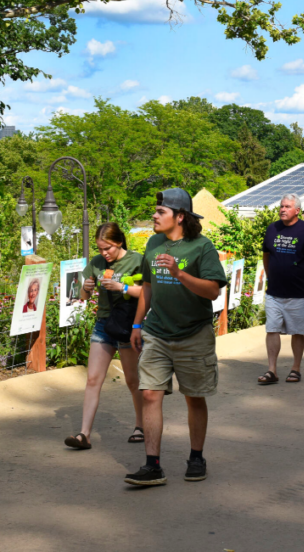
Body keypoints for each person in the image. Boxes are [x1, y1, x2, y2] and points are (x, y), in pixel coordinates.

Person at [126, 188, 227, 486]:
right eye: (155, 211)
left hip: (193, 334)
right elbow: (147, 285)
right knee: (149, 394)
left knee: (194, 398)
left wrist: (180, 273)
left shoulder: (201, 247)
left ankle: (196, 457)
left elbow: (213, 291)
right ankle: (152, 465)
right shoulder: (154, 243)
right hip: (157, 332)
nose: (154, 216)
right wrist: (136, 324)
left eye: (161, 212)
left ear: (180, 217)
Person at [64, 222, 145, 451]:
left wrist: (122, 287)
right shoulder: (97, 263)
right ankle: (84, 434)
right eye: (100, 249)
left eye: (107, 248)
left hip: (129, 325)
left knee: (132, 379)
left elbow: (148, 292)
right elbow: (82, 295)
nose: (104, 253)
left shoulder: (137, 260)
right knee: (93, 379)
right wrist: (87, 287)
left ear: (118, 242)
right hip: (103, 324)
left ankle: (140, 426)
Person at [258, 193, 304, 387]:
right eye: (281, 206)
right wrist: (270, 276)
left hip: (299, 293)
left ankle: (295, 368)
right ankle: (272, 371)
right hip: (274, 293)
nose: (282, 209)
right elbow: (266, 254)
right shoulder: (272, 229)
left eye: (287, 206)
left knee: (297, 331)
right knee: (272, 329)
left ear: (297, 210)